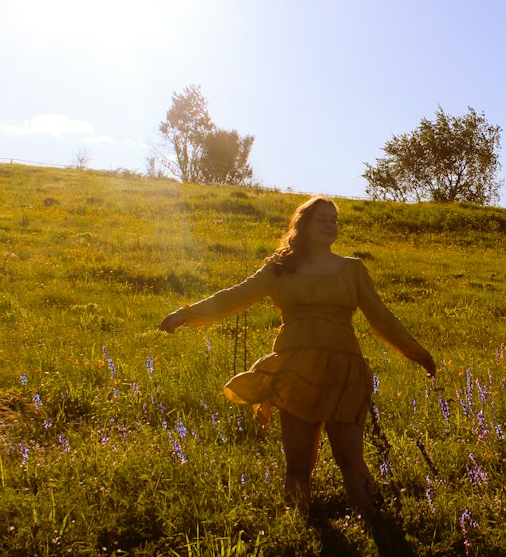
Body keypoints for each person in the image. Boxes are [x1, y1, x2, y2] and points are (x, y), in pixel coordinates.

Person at [159, 195, 436, 517]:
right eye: (322, 219)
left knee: (350, 459)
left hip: (342, 372)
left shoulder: (352, 269)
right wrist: (184, 315)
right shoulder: (280, 269)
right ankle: (299, 527)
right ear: (303, 225)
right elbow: (234, 296)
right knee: (298, 464)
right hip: (295, 371)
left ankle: (376, 525)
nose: (331, 225)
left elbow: (381, 317)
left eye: (334, 220)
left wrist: (416, 353)